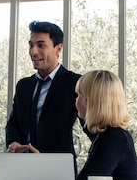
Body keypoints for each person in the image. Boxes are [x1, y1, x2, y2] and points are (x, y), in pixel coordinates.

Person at [5, 21, 83, 157]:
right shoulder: (23, 86)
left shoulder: (74, 83)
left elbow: (91, 124)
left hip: (57, 168)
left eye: (41, 45)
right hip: (23, 166)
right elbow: (14, 123)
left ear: (58, 49)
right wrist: (14, 143)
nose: (33, 52)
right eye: (31, 45)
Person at [70, 70, 137, 180]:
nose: (75, 100)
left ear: (90, 102)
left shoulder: (112, 139)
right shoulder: (113, 135)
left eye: (79, 95)